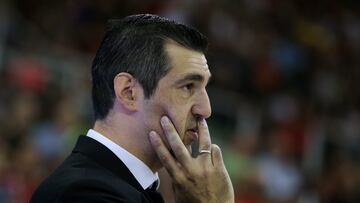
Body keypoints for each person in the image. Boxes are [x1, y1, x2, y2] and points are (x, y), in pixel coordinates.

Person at [30, 14, 234, 203]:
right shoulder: (82, 194)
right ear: (129, 92)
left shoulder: (131, 189)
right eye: (188, 86)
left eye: (204, 88)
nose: (205, 109)